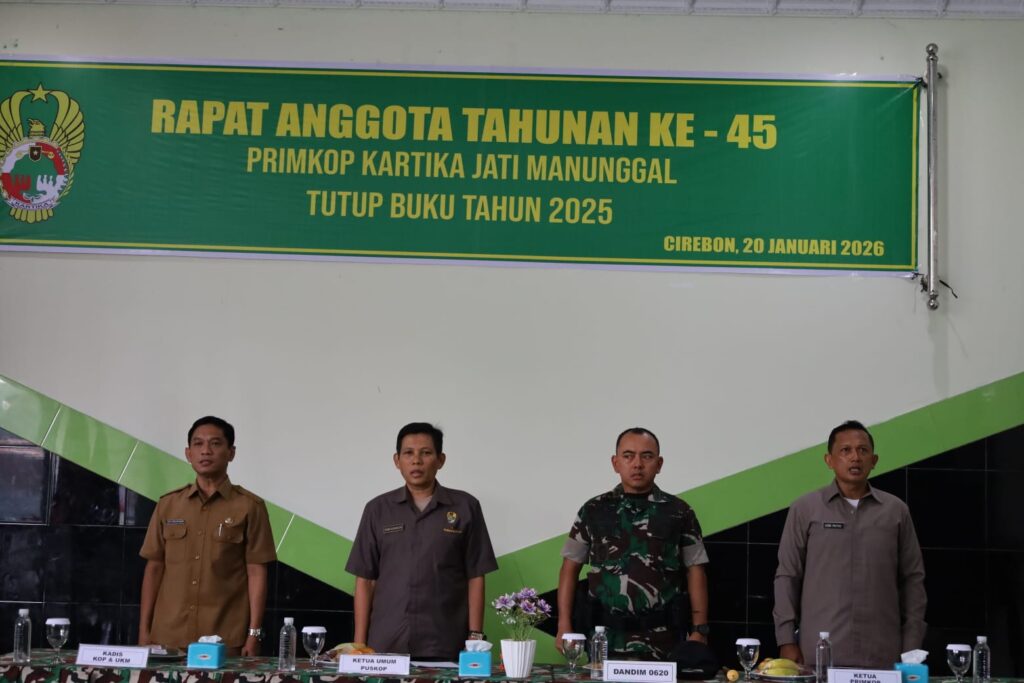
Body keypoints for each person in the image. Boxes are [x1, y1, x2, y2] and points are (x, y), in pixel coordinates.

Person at [773, 420, 926, 668]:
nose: (855, 457)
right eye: (845, 450)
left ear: (874, 460)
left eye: (863, 450)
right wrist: (786, 639)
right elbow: (787, 576)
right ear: (829, 460)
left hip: (882, 653)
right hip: (819, 653)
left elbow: (913, 579)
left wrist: (911, 646)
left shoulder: (895, 511)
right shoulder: (805, 509)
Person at [346, 422, 498, 660]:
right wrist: (359, 645)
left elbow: (476, 576)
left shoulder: (466, 507)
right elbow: (365, 580)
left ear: (440, 460)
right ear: (397, 460)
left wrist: (475, 638)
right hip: (386, 644)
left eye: (426, 453)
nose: (416, 460)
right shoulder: (377, 510)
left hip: (445, 642)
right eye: (408, 453)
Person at [556, 427, 710, 659]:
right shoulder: (593, 510)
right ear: (615, 463)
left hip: (664, 642)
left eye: (646, 456)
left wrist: (700, 630)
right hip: (605, 640)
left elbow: (695, 570)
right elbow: (570, 568)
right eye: (628, 456)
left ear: (659, 464)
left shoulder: (679, 512)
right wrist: (564, 625)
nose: (637, 464)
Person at [139, 416, 276, 655]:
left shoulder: (249, 506)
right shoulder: (168, 505)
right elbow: (154, 568)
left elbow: (257, 572)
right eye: (198, 444)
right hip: (168, 637)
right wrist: (144, 630)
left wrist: (253, 634)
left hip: (225, 639)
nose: (206, 451)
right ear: (188, 453)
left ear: (231, 453)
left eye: (215, 443)